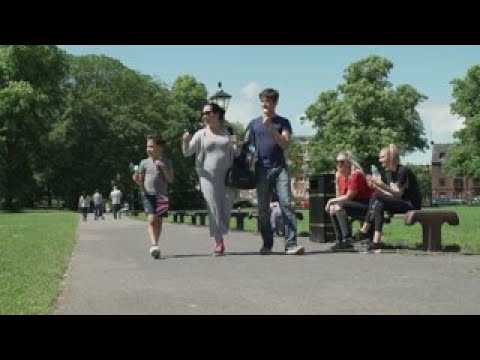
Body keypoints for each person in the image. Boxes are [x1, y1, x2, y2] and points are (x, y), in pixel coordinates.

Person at [247, 88, 305, 255]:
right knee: (263, 209)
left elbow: (285, 144)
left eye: (268, 101)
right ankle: (267, 244)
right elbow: (249, 147)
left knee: (286, 203)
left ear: (275, 103)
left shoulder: (283, 122)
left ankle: (291, 244)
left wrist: (271, 128)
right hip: (261, 170)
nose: (264, 104)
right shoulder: (253, 124)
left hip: (279, 168)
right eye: (262, 100)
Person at [182, 102, 239, 256]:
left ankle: (221, 232)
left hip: (228, 178)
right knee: (213, 208)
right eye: (204, 114)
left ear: (217, 114)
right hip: (207, 177)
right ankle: (218, 242)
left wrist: (235, 145)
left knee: (226, 208)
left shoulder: (228, 132)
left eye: (208, 113)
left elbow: (237, 154)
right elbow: (187, 153)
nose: (205, 116)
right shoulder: (201, 134)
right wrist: (186, 141)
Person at [356, 144, 422, 252]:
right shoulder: (389, 173)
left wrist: (381, 185)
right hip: (399, 202)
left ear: (391, 157)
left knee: (376, 195)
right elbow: (389, 194)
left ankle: (364, 230)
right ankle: (376, 242)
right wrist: (376, 186)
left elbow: (398, 194)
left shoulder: (403, 171)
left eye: (382, 157)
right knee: (379, 203)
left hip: (410, 204)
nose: (379, 159)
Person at [133, 134, 174, 259]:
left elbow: (170, 179)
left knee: (159, 222)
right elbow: (141, 181)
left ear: (160, 147)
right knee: (151, 220)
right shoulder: (144, 163)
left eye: (151, 146)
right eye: (147, 146)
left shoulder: (167, 161)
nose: (148, 149)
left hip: (162, 195)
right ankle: (154, 244)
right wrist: (136, 179)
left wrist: (163, 167)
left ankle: (156, 243)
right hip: (148, 194)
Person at [324, 151, 374, 251]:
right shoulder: (342, 176)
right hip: (355, 203)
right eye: (337, 161)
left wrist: (330, 201)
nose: (338, 164)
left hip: (368, 205)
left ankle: (347, 241)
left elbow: (348, 197)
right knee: (334, 208)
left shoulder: (356, 174)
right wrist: (337, 182)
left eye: (342, 162)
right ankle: (340, 241)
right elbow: (340, 197)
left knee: (337, 206)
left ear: (349, 163)